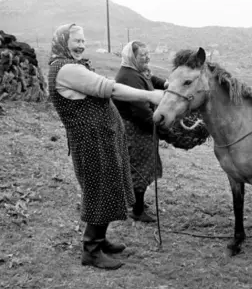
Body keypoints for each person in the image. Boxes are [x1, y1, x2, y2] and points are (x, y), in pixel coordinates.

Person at [47, 24, 163, 270]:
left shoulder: (72, 65)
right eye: (75, 40)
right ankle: (91, 250)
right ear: (62, 42)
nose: (81, 45)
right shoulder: (65, 69)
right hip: (91, 143)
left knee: (109, 188)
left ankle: (100, 239)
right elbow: (108, 88)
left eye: (83, 40)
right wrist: (150, 96)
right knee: (99, 192)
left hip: (102, 139)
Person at [113, 40, 168, 223]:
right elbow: (140, 110)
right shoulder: (129, 77)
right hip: (134, 128)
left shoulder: (136, 72)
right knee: (140, 168)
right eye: (142, 55)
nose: (147, 57)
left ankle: (136, 203)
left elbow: (150, 80)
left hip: (140, 126)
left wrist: (165, 83)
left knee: (140, 166)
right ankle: (137, 210)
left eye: (147, 53)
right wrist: (158, 126)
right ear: (132, 56)